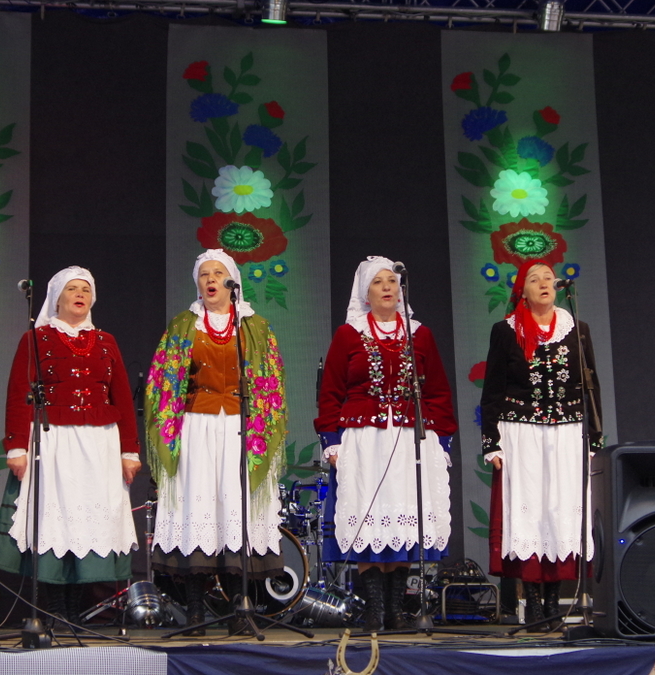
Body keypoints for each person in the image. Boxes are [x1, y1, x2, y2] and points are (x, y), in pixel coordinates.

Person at [145, 249, 287, 636]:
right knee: (198, 511)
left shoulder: (255, 327)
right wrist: (170, 431)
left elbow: (271, 380)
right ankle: (195, 611)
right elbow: (162, 382)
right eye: (204, 274)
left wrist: (262, 427)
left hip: (241, 429)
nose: (210, 279)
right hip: (196, 428)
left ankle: (240, 607)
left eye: (217, 273)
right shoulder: (183, 325)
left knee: (235, 512)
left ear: (232, 282)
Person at [315, 256, 456, 632]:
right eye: (378, 282)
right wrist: (332, 441)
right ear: (366, 292)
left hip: (410, 439)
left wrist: (442, 442)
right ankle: (374, 609)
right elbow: (331, 392)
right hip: (365, 441)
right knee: (369, 517)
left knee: (403, 519)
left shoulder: (419, 334)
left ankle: (395, 609)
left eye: (392, 280)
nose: (387, 287)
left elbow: (438, 391)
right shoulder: (349, 334)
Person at [0, 266, 141, 624]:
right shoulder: (36, 338)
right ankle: (55, 610)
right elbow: (19, 392)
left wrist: (129, 450)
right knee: (55, 522)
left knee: (88, 524)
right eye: (72, 289)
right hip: (53, 440)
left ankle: (77, 611)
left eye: (85, 290)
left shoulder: (105, 341)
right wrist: (17, 446)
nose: (80, 295)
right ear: (56, 298)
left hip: (98, 443)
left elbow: (121, 396)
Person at [480, 258, 602, 628]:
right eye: (535, 279)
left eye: (549, 277)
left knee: (559, 512)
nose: (545, 283)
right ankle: (532, 604)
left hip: (568, 433)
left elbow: (590, 386)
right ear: (523, 291)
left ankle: (553, 605)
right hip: (522, 433)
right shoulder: (506, 331)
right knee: (530, 512)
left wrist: (594, 438)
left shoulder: (576, 329)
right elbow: (493, 389)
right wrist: (491, 442)